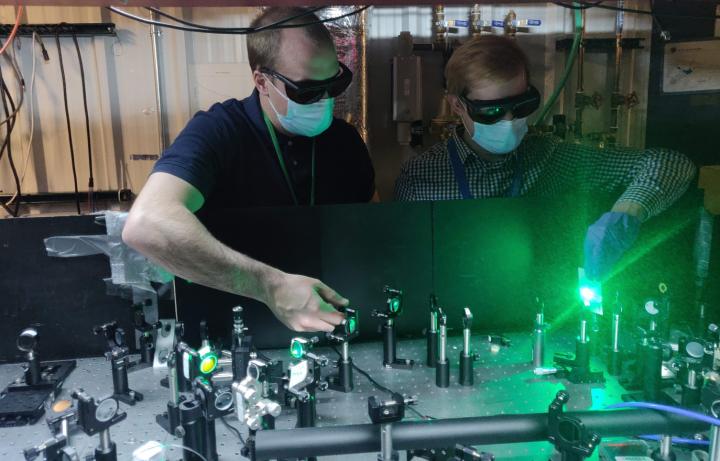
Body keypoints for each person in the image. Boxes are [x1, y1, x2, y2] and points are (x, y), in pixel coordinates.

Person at [123, 7, 376, 332]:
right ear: (262, 82)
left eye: (335, 84)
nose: (325, 100)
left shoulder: (345, 142)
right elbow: (146, 224)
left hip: (333, 323)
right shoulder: (219, 131)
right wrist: (271, 287)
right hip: (234, 331)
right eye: (307, 91)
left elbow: (374, 231)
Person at [394, 35, 696, 282]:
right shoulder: (422, 178)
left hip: (539, 310)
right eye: (492, 111)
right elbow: (403, 267)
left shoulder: (551, 157)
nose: (509, 120)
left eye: (521, 105)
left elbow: (671, 164)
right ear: (457, 106)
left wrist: (626, 213)